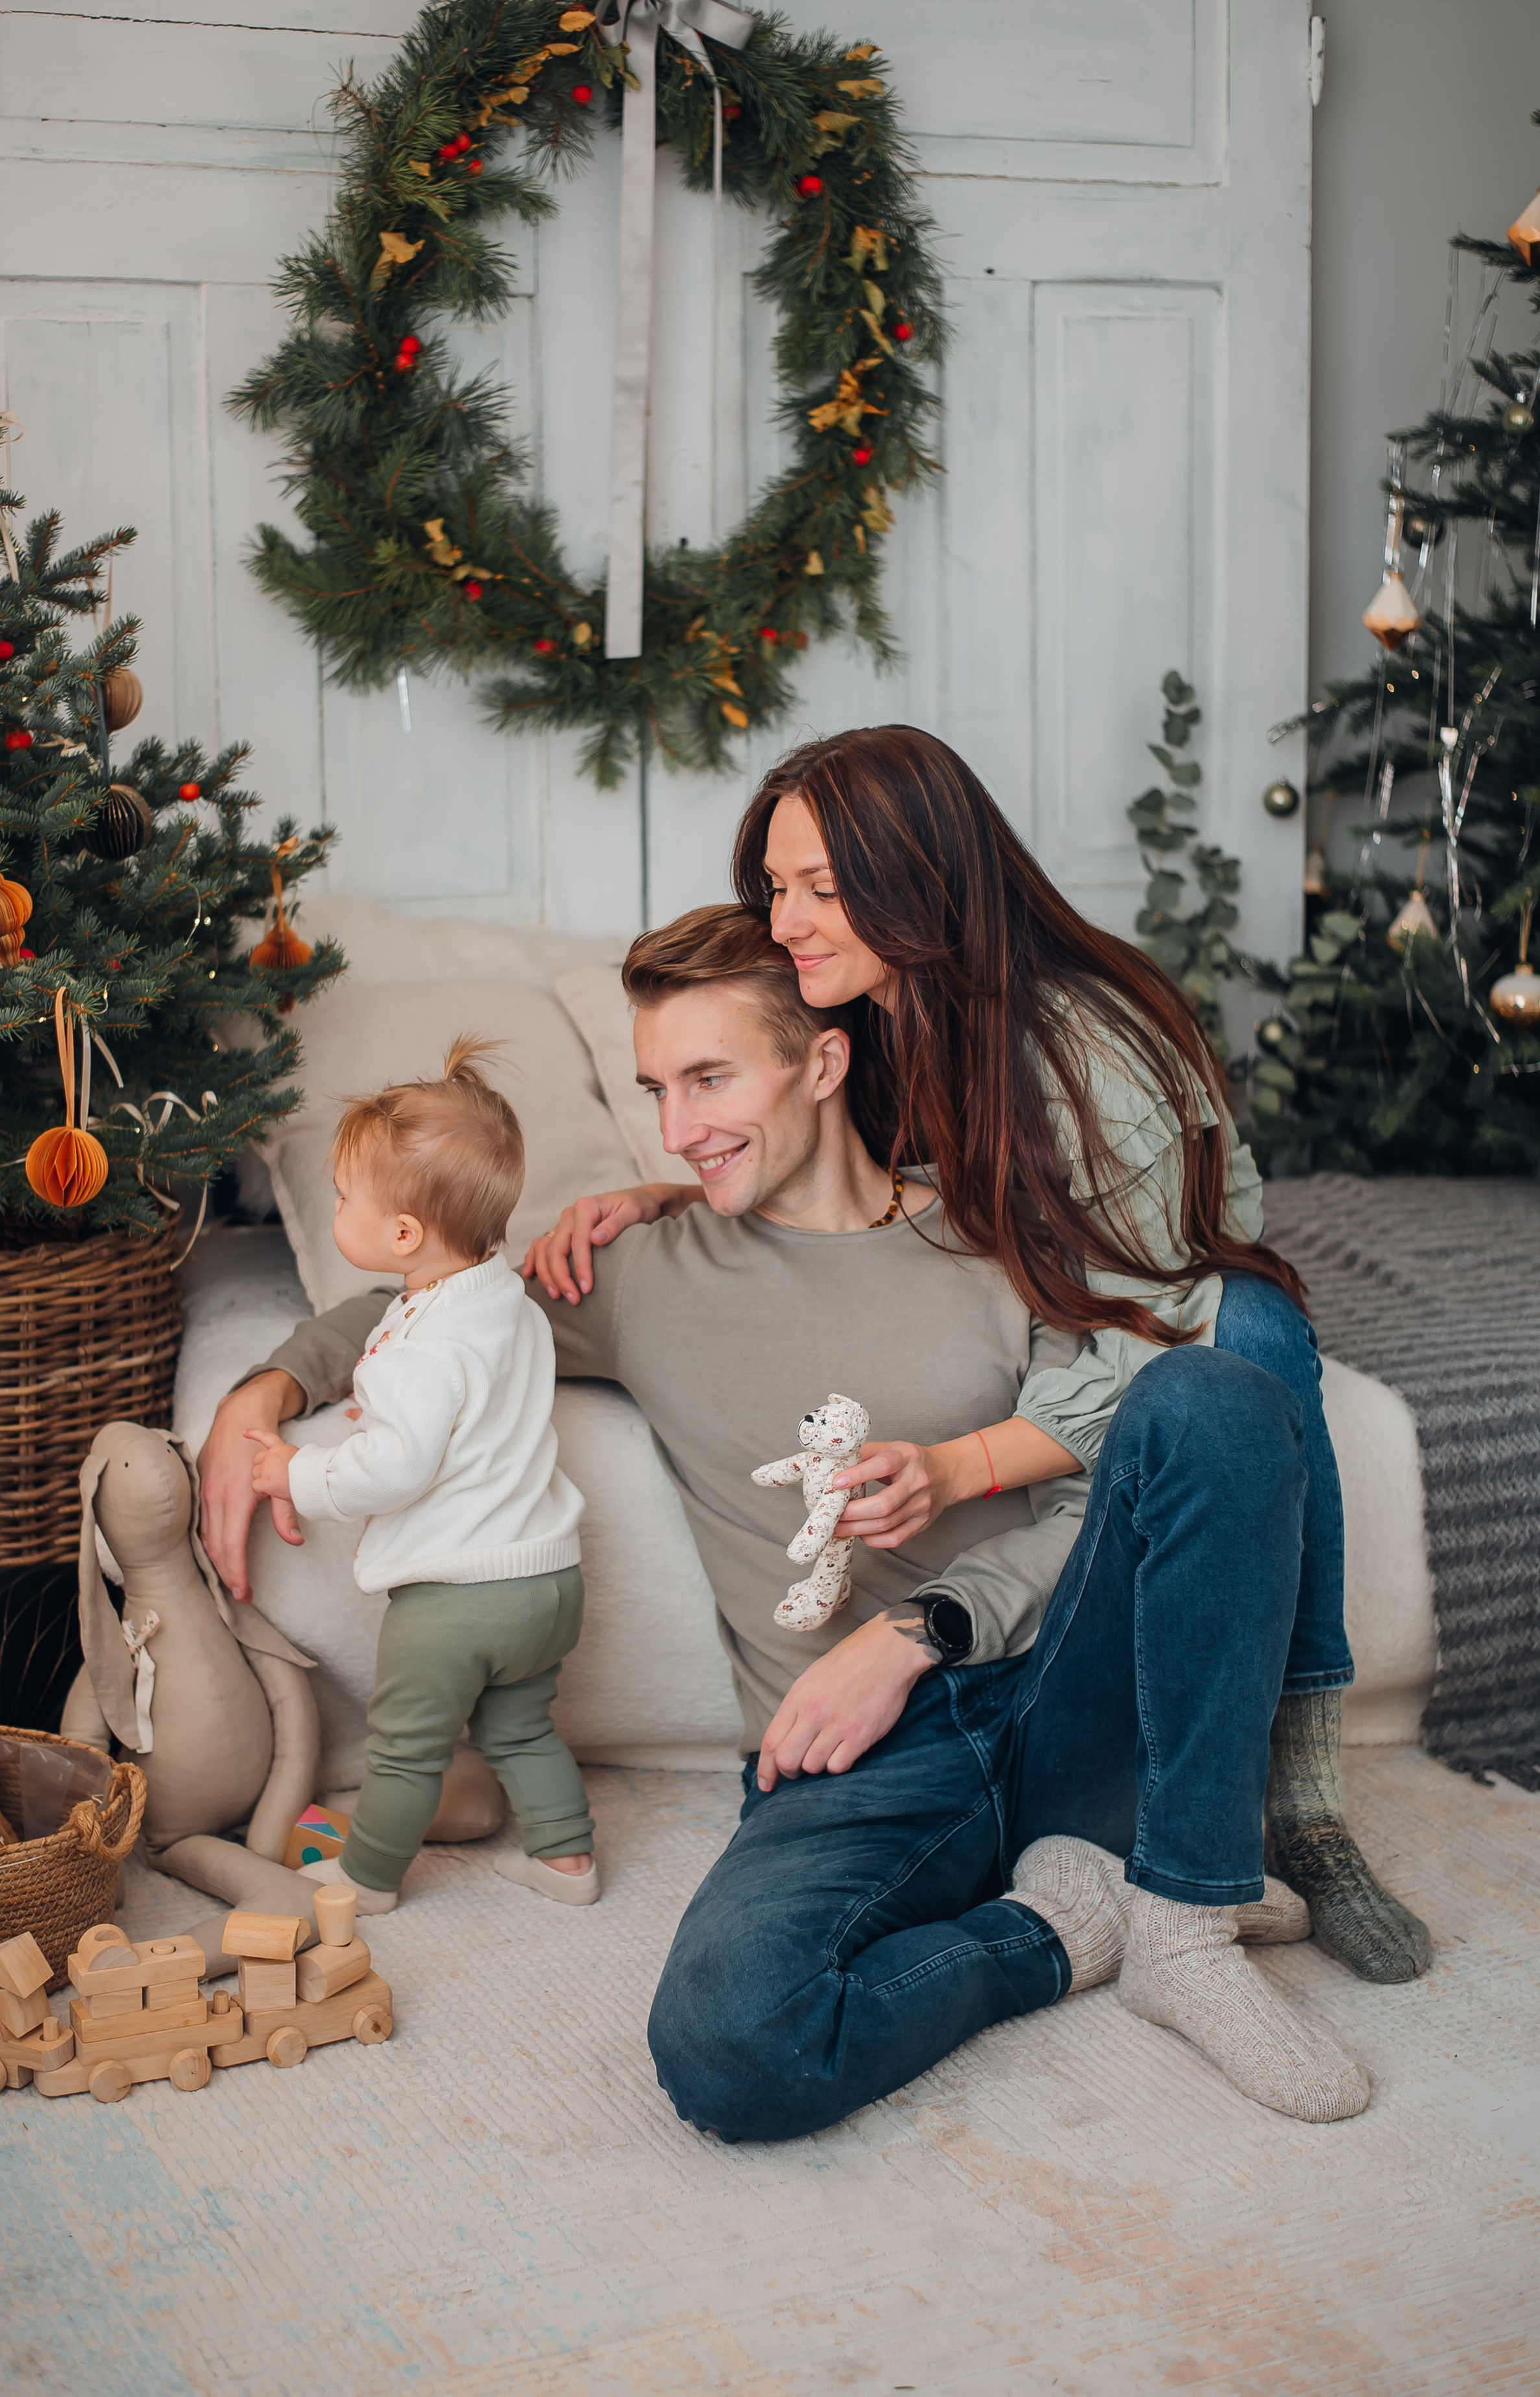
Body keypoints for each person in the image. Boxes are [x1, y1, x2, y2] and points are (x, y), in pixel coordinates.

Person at [200, 910, 1369, 2137]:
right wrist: (261, 1397)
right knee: (730, 2044)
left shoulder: (991, 1241)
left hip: (1058, 1693)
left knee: (1218, 1390)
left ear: (822, 1063)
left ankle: (1185, 1910)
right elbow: (417, 1318)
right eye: (658, 1088)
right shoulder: (645, 1274)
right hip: (853, 1764)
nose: (679, 1128)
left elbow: (1101, 1490)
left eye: (711, 1078)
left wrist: (922, 1627)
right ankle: (1067, 1923)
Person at [526, 726, 1431, 1990]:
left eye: (820, 889)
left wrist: (956, 1466)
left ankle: (1302, 1792)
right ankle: (1091, 1893)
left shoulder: (1086, 1047)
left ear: (918, 877)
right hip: (1062, 1316)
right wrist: (673, 1183)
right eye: (774, 884)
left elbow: (1153, 1309)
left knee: (1253, 1330)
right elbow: (821, 1153)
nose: (785, 919)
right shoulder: (868, 1017)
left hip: (1156, 1292)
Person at [238, 1041, 598, 1914]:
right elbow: (475, 1408)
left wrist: (301, 1469)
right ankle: (567, 1862)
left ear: (403, 1234)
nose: (334, 1208)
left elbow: (396, 1469)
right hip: (547, 1579)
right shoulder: (504, 1303)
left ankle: (367, 1881)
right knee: (520, 1727)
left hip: (457, 1594)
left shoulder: (419, 1347)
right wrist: (395, 1405)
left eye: (341, 1198)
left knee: (403, 1750)